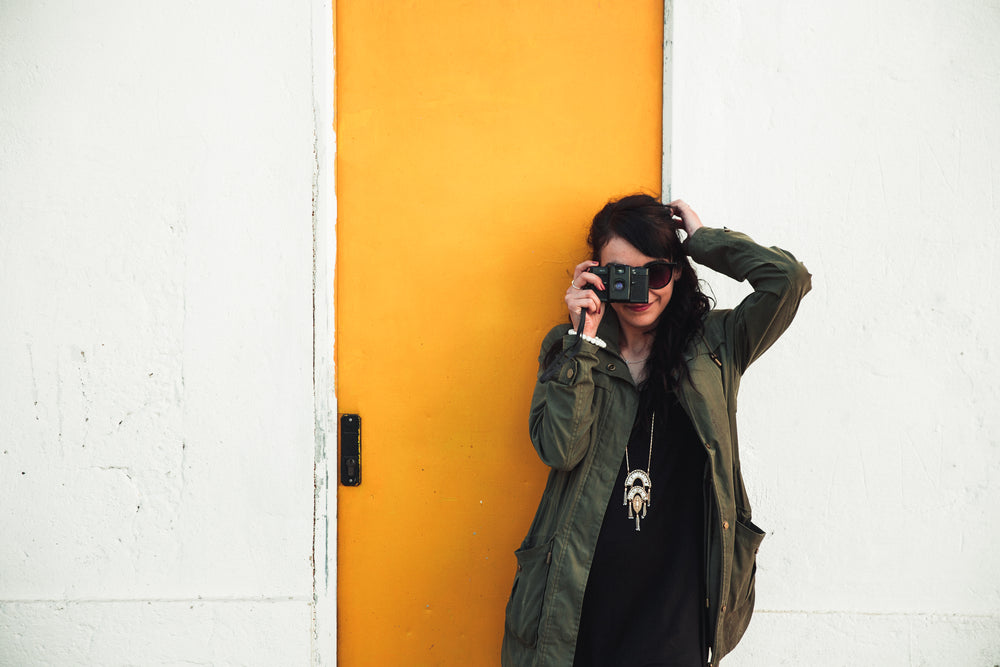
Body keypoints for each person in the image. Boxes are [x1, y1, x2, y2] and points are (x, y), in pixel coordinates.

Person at [501, 194, 811, 667]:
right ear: (598, 278)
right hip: (581, 602)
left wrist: (705, 242)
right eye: (624, 277)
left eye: (657, 273)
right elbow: (559, 449)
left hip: (676, 609)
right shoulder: (572, 350)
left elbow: (788, 281)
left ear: (678, 272)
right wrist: (583, 338)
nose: (642, 291)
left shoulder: (716, 345)